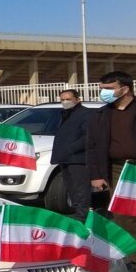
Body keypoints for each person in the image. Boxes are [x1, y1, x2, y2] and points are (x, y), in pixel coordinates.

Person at [86, 70, 136, 272]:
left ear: (125, 89)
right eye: (102, 89)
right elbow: (92, 147)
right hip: (118, 170)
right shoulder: (100, 115)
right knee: (126, 218)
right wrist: (96, 175)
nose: (103, 93)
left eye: (109, 89)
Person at [50, 89, 91, 221]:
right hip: (65, 158)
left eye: (68, 99)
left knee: (80, 187)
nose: (65, 102)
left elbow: (88, 136)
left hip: (78, 158)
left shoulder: (85, 114)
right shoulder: (66, 114)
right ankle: (77, 211)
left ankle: (83, 214)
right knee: (71, 187)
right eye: (62, 100)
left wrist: (72, 149)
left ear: (77, 99)